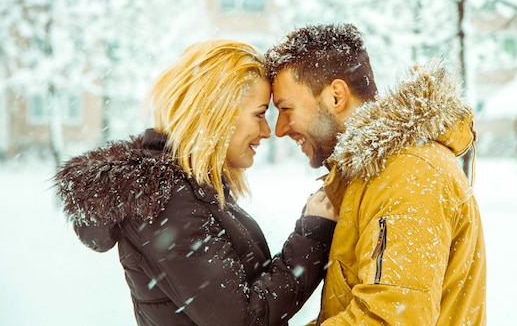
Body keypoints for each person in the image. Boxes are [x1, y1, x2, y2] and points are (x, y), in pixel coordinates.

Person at [54, 39, 337, 326]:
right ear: (218, 113)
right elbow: (244, 320)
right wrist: (311, 238)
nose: (267, 131)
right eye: (260, 114)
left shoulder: (187, 191)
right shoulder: (169, 202)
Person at [264, 23, 487, 326]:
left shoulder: (410, 173)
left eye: (286, 108)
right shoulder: (372, 176)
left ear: (336, 97)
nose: (279, 129)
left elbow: (389, 319)